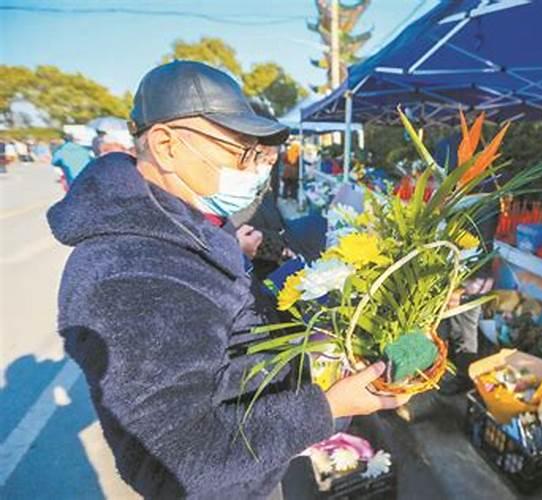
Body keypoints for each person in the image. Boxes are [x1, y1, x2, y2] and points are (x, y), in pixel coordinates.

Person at [47, 61, 410, 499]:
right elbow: (176, 462)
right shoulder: (127, 276)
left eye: (261, 154)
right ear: (166, 145)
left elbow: (217, 316)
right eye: (242, 151)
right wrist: (328, 407)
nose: (256, 169)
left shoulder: (184, 222)